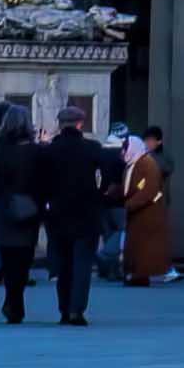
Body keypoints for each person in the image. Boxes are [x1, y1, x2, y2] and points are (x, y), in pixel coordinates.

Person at [33, 107, 112, 325]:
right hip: (86, 213)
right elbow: (109, 172)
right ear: (80, 124)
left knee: (63, 263)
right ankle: (77, 309)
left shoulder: (49, 151)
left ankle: (64, 309)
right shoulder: (92, 148)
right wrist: (100, 194)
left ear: (60, 125)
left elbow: (39, 181)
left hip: (57, 213)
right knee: (82, 263)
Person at [0, 101, 46, 320]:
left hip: (2, 209)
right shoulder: (37, 152)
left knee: (8, 259)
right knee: (24, 259)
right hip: (29, 210)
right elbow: (43, 184)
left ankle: (12, 299)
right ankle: (16, 300)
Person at [121, 125, 175, 286]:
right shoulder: (135, 163)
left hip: (148, 210)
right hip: (141, 211)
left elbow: (148, 188)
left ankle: (141, 274)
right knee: (137, 244)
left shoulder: (149, 163)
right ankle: (137, 274)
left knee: (145, 245)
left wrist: (130, 203)